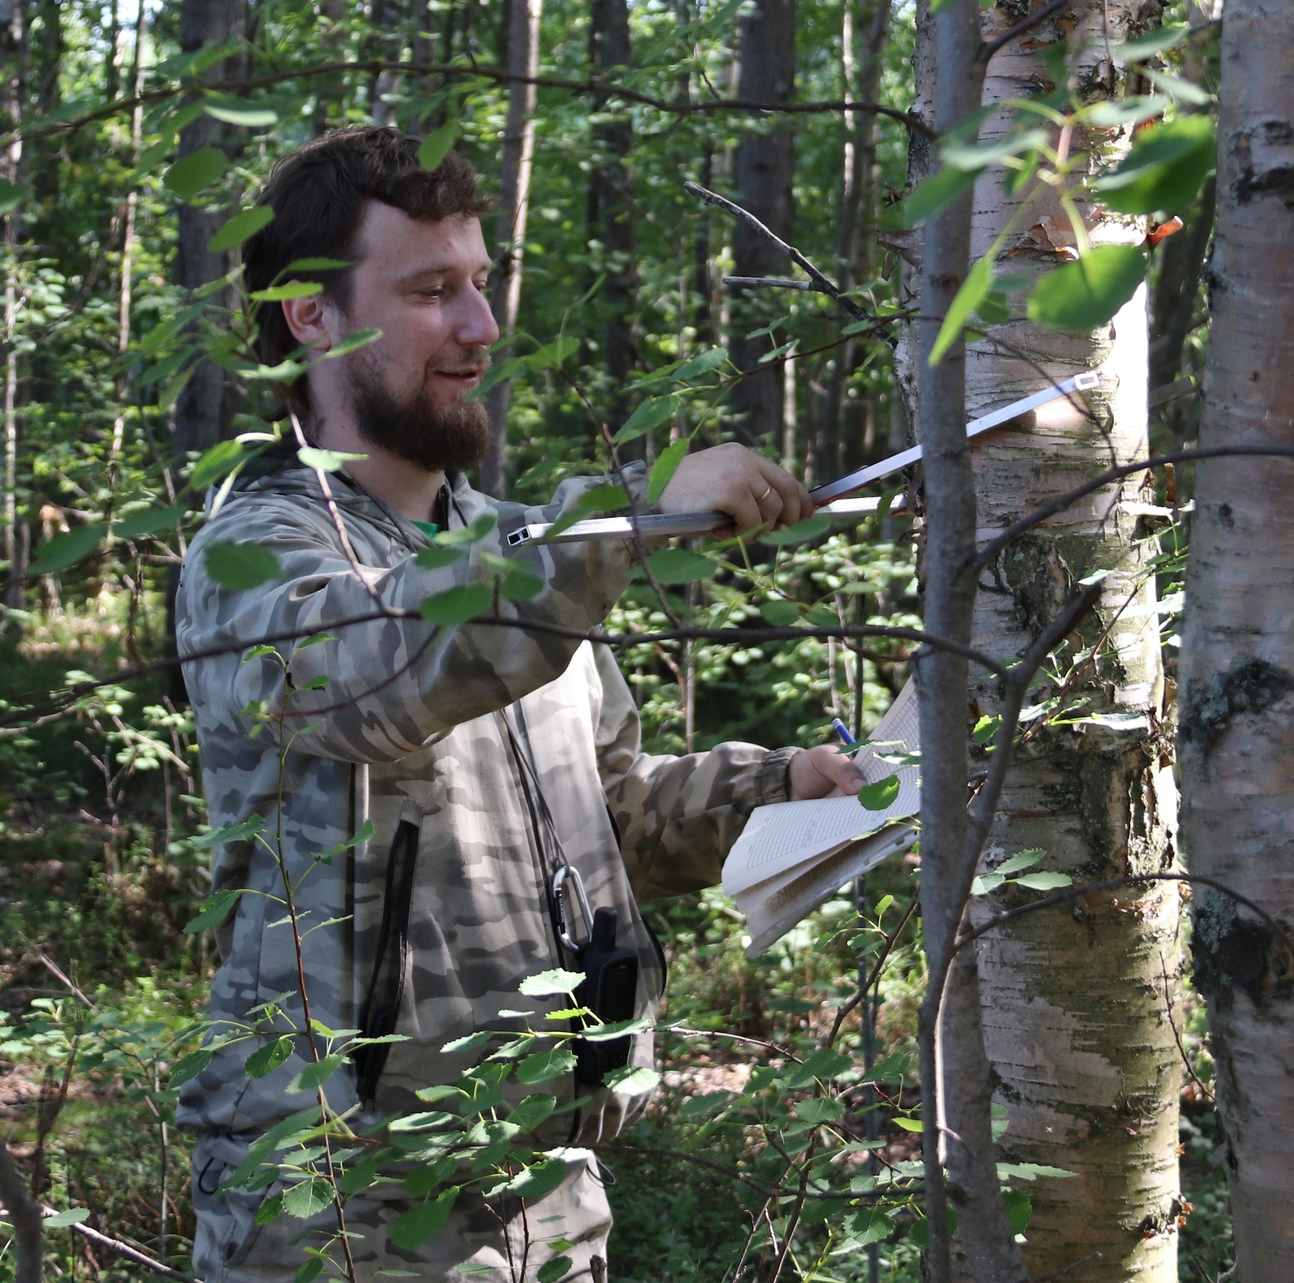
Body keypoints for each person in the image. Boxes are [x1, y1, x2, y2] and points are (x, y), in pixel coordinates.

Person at [175, 126, 864, 1282]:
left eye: (481, 285)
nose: (480, 329)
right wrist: (626, 524)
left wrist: (782, 789)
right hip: (340, 1197)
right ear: (310, 316)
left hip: (542, 1182)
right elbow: (383, 679)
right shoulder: (264, 549)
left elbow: (614, 816)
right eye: (431, 291)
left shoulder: (513, 551)